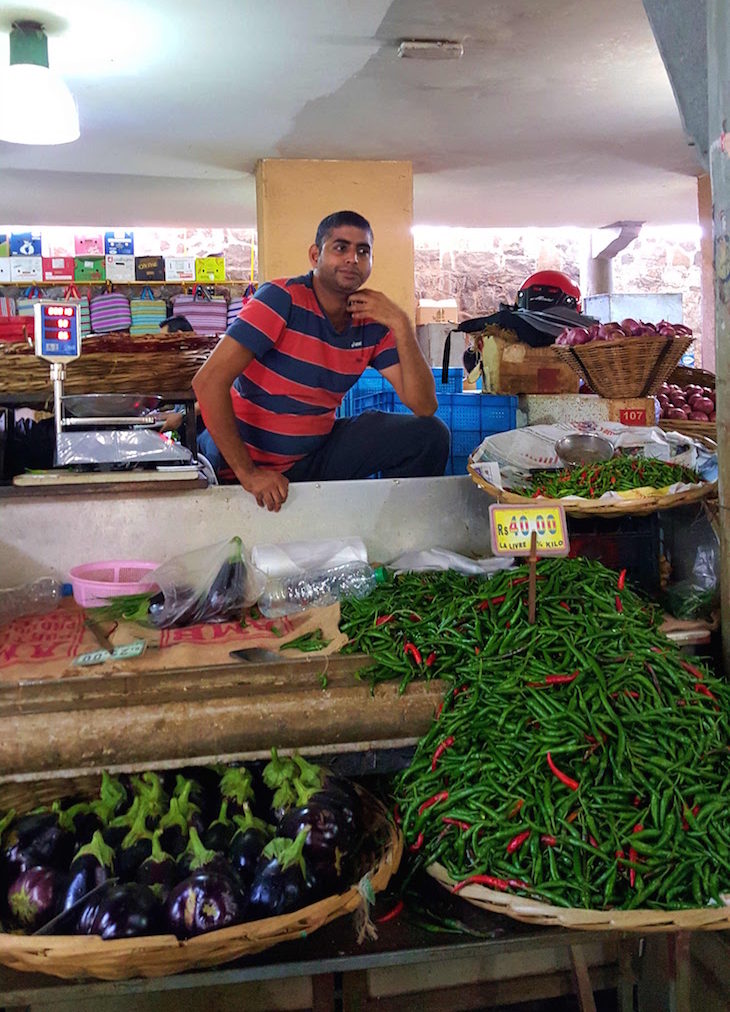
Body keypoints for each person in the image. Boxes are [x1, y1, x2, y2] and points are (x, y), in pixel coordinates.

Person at [193, 210, 450, 511]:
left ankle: (397, 531)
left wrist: (402, 323)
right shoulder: (281, 299)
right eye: (341, 248)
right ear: (315, 255)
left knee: (429, 435)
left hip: (313, 456)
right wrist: (249, 475)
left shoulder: (372, 320)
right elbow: (208, 381)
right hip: (245, 464)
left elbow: (424, 405)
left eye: (362, 251)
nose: (352, 258)